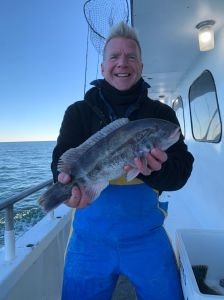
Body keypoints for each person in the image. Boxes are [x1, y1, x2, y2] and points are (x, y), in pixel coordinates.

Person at [51, 22, 194, 300]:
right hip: (88, 241)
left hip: (147, 236)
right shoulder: (78, 113)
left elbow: (181, 171)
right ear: (103, 67)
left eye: (130, 56)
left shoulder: (161, 114)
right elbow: (61, 159)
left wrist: (155, 172)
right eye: (114, 57)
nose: (122, 63)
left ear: (140, 66)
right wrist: (67, 190)